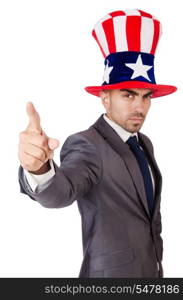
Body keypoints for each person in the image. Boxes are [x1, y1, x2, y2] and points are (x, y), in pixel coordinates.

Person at [18, 9, 177, 277]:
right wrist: (39, 169)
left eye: (146, 96)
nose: (140, 107)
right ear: (105, 97)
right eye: (128, 95)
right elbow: (61, 191)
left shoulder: (145, 143)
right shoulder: (87, 144)